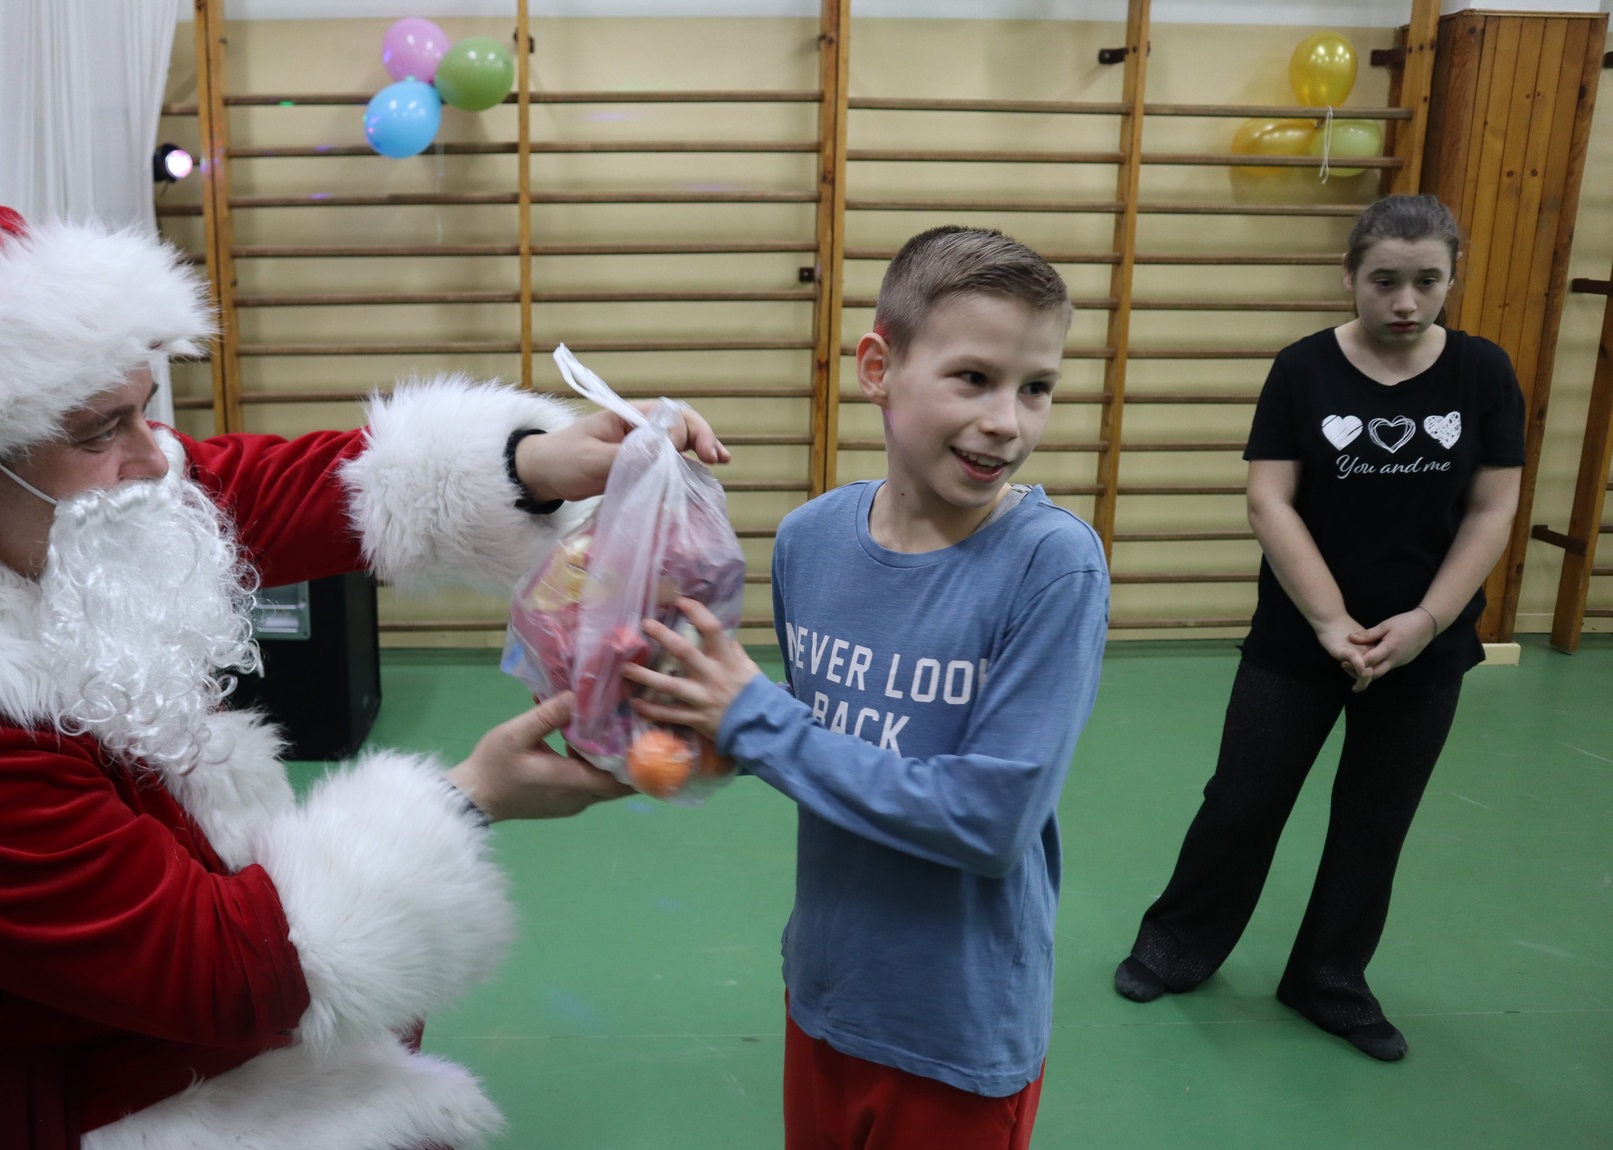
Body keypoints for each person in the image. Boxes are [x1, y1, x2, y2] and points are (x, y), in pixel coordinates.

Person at [0, 205, 731, 1150]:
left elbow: (245, 488)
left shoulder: (22, 507)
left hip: (64, 997)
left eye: (143, 410)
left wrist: (535, 463)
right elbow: (218, 972)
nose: (156, 458)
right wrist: (462, 804)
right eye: (101, 429)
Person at [625, 226, 1110, 1150]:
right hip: (826, 990)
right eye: (974, 378)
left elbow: (991, 821)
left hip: (956, 1031)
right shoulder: (810, 541)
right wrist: (698, 729)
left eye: (1036, 388)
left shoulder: (1053, 568)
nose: (1008, 421)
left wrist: (759, 723)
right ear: (878, 368)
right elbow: (822, 738)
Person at [1112, 194, 1524, 1062]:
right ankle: (1176, 945)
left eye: (1427, 281)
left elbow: (1493, 508)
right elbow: (1270, 499)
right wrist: (1332, 623)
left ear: (1452, 279)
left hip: (1424, 650)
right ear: (1349, 276)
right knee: (1242, 800)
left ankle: (1328, 979)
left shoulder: (1483, 373)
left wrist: (1425, 623)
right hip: (1297, 641)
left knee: (1376, 821)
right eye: (1385, 281)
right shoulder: (1302, 369)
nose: (1405, 302)